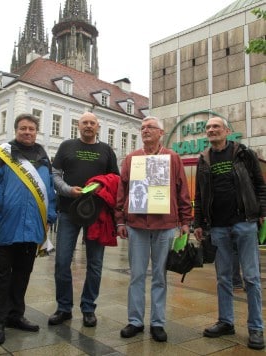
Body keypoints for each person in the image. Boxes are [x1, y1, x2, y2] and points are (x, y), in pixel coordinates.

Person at [0, 113, 57, 345]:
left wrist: (49, 216)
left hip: (31, 228)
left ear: (36, 132)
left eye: (31, 129)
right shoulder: (1, 154)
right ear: (16, 130)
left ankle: (15, 316)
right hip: (3, 225)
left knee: (21, 274)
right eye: (23, 128)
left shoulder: (43, 157)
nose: (27, 132)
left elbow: (48, 190)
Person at [115, 116, 192, 342]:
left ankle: (158, 323)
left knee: (160, 276)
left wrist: (186, 221)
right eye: (143, 128)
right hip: (137, 225)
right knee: (136, 275)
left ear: (161, 133)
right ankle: (135, 321)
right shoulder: (131, 158)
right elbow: (123, 190)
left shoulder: (172, 157)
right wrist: (120, 220)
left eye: (150, 127)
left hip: (165, 225)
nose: (145, 130)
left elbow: (183, 191)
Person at [194, 116, 266, 350]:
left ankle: (256, 328)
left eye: (216, 127)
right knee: (223, 277)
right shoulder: (203, 159)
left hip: (244, 222)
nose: (211, 130)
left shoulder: (243, 153)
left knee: (252, 278)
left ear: (226, 131)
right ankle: (226, 322)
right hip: (218, 226)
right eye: (208, 128)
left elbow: (259, 184)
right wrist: (198, 222)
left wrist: (261, 212)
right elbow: (199, 194)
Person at [48, 111, 119, 328]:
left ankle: (88, 308)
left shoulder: (106, 150)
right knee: (62, 262)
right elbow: (55, 175)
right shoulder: (66, 146)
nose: (88, 126)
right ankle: (64, 308)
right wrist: (68, 190)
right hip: (68, 212)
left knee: (95, 265)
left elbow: (115, 179)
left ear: (98, 127)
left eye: (92, 123)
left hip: (97, 216)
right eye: (84, 122)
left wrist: (100, 186)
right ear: (78, 126)